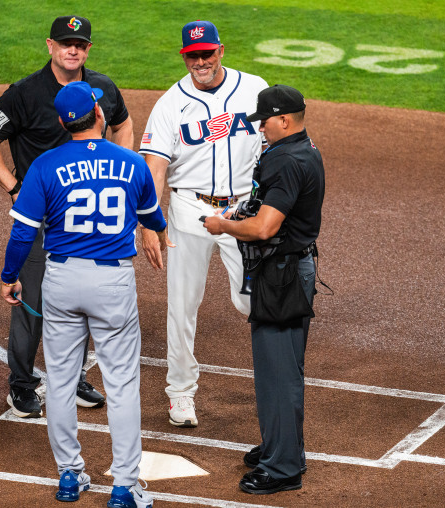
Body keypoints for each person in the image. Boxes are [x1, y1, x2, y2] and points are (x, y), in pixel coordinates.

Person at [0, 81, 165, 507]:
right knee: (123, 384)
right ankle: (126, 487)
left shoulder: (44, 164)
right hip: (112, 282)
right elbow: (154, 219)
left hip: (61, 279)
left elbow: (22, 232)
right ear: (98, 114)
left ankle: (70, 476)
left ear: (61, 122)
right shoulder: (131, 163)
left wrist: (9, 275)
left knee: (59, 380)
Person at [0, 15, 133, 418]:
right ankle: (21, 384)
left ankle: (75, 376)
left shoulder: (104, 89)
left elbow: (124, 124)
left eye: (79, 43)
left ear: (88, 49)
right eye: (65, 42)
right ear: (50, 45)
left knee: (79, 301)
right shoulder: (24, 94)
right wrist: (17, 188)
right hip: (42, 222)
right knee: (32, 303)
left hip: (87, 222)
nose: (72, 49)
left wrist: (122, 165)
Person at [138, 20, 268, 427]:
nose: (200, 62)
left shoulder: (254, 89)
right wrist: (149, 222)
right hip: (188, 210)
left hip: (243, 210)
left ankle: (273, 378)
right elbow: (155, 166)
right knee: (182, 305)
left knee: (256, 299)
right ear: (184, 57)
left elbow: (277, 143)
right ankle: (180, 393)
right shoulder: (169, 104)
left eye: (206, 53)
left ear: (221, 51)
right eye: (192, 55)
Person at [203, 84, 325, 494]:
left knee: (277, 373)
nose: (261, 129)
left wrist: (222, 225)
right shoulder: (304, 148)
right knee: (284, 368)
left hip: (283, 275)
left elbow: (264, 227)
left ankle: (283, 467)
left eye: (265, 121)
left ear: (284, 120)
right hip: (291, 269)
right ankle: (284, 447)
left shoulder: (287, 161)